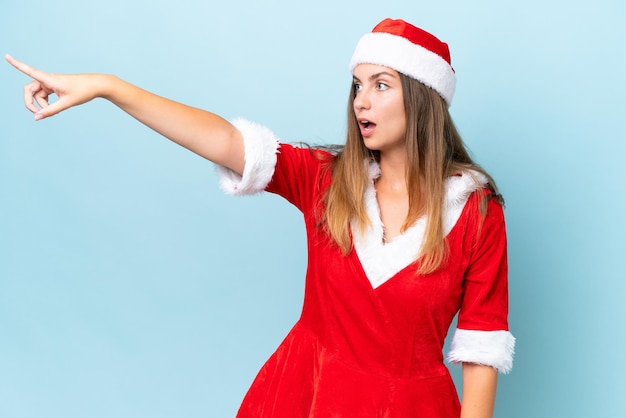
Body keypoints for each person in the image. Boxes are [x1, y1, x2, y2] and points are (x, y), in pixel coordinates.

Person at [6, 17, 514, 418]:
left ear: (423, 98)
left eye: (381, 85)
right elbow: (226, 140)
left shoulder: (475, 211)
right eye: (357, 85)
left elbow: (481, 353)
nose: (361, 100)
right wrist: (108, 87)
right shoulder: (328, 182)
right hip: (303, 393)